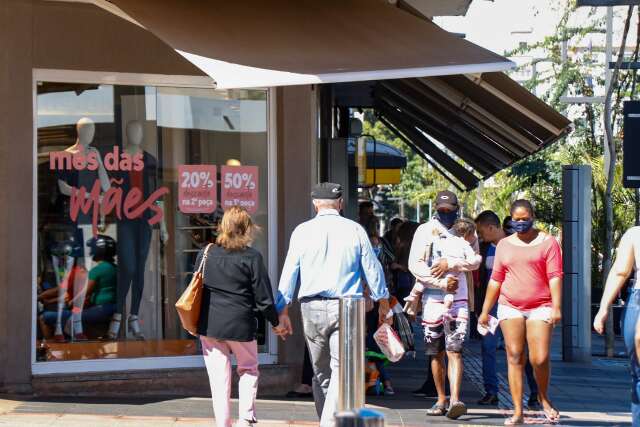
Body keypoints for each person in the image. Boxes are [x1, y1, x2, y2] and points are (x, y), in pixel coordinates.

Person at [275, 182, 390, 427]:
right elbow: (372, 267)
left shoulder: (301, 231)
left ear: (315, 203)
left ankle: (327, 421)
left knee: (322, 373)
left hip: (311, 307)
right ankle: (331, 422)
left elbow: (289, 273)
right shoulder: (355, 230)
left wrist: (281, 309)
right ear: (340, 203)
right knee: (342, 369)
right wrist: (383, 300)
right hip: (348, 306)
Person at [195, 207, 285, 427]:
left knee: (219, 380)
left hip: (210, 326)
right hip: (241, 325)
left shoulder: (206, 253)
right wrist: (276, 322)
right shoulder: (252, 256)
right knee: (248, 370)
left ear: (222, 227)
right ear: (246, 229)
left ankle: (223, 423)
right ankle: (245, 419)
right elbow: (264, 297)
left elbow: (195, 290)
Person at [478, 200, 562, 425]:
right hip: (510, 305)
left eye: (525, 219)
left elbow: (555, 276)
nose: (521, 223)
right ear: (511, 219)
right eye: (517, 219)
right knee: (514, 356)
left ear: (533, 217)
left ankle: (543, 398)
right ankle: (517, 411)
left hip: (541, 305)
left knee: (539, 358)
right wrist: (485, 311)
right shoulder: (504, 245)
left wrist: (557, 306)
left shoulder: (548, 243)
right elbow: (496, 279)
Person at [407, 190, 480, 420]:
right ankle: (440, 398)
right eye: (442, 210)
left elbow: (474, 261)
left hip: (458, 300)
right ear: (435, 208)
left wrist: (452, 262)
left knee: (455, 350)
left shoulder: (467, 231)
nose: (446, 214)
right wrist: (439, 282)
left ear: (457, 209)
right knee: (435, 352)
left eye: (450, 210)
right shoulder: (425, 231)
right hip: (431, 299)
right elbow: (415, 265)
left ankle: (456, 399)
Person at [475, 211, 540, 408]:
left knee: (522, 351)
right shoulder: (485, 248)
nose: (480, 235)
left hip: (516, 303)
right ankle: (491, 391)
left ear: (491, 228)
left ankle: (535, 393)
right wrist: (481, 308)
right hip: (492, 304)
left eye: (481, 231)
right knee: (488, 347)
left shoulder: (517, 242)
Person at [594, 225, 640, 426]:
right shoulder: (634, 234)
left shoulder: (635, 234)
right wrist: (603, 307)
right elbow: (620, 271)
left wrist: (604, 308)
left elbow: (621, 271)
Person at [40, 235, 117, 340]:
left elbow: (84, 292)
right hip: (109, 308)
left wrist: (71, 302)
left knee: (45, 317)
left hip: (99, 309)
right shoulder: (114, 268)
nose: (91, 251)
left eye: (92, 248)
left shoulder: (94, 270)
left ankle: (50, 348)